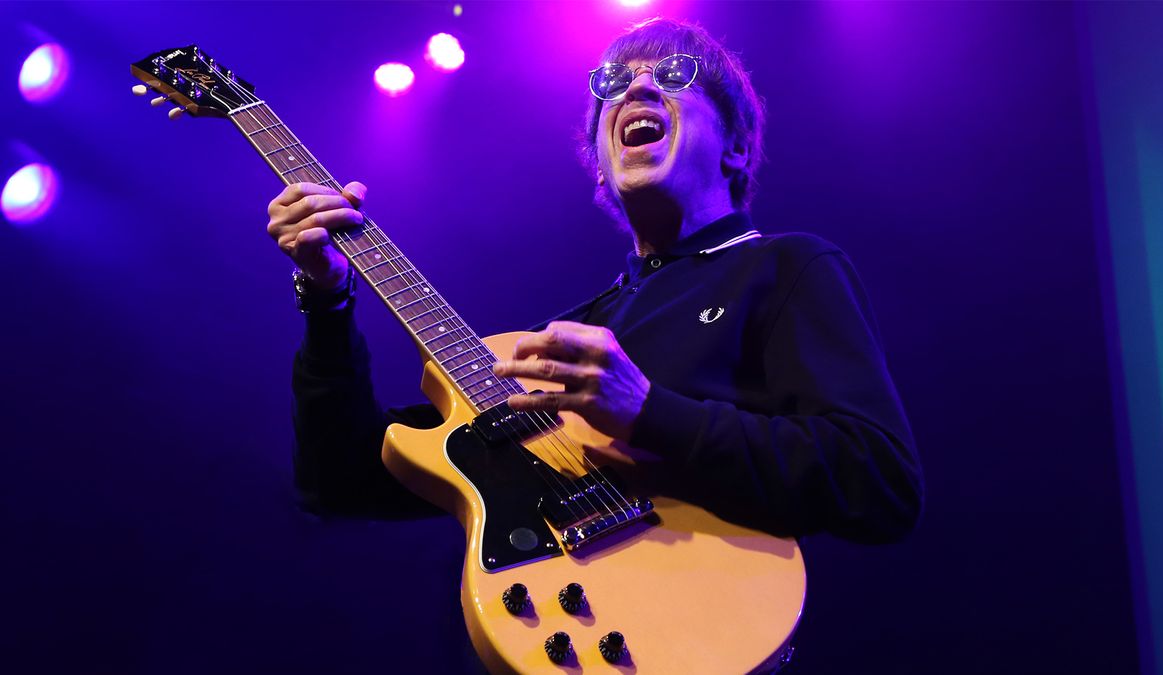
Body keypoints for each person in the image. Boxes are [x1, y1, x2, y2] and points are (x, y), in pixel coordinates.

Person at [267, 18, 923, 543]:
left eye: (672, 75)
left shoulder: (785, 267)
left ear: (737, 147)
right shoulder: (562, 342)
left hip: (708, 618)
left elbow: (880, 480)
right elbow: (339, 484)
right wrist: (327, 301)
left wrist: (647, 411)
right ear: (600, 167)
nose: (635, 90)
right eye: (611, 84)